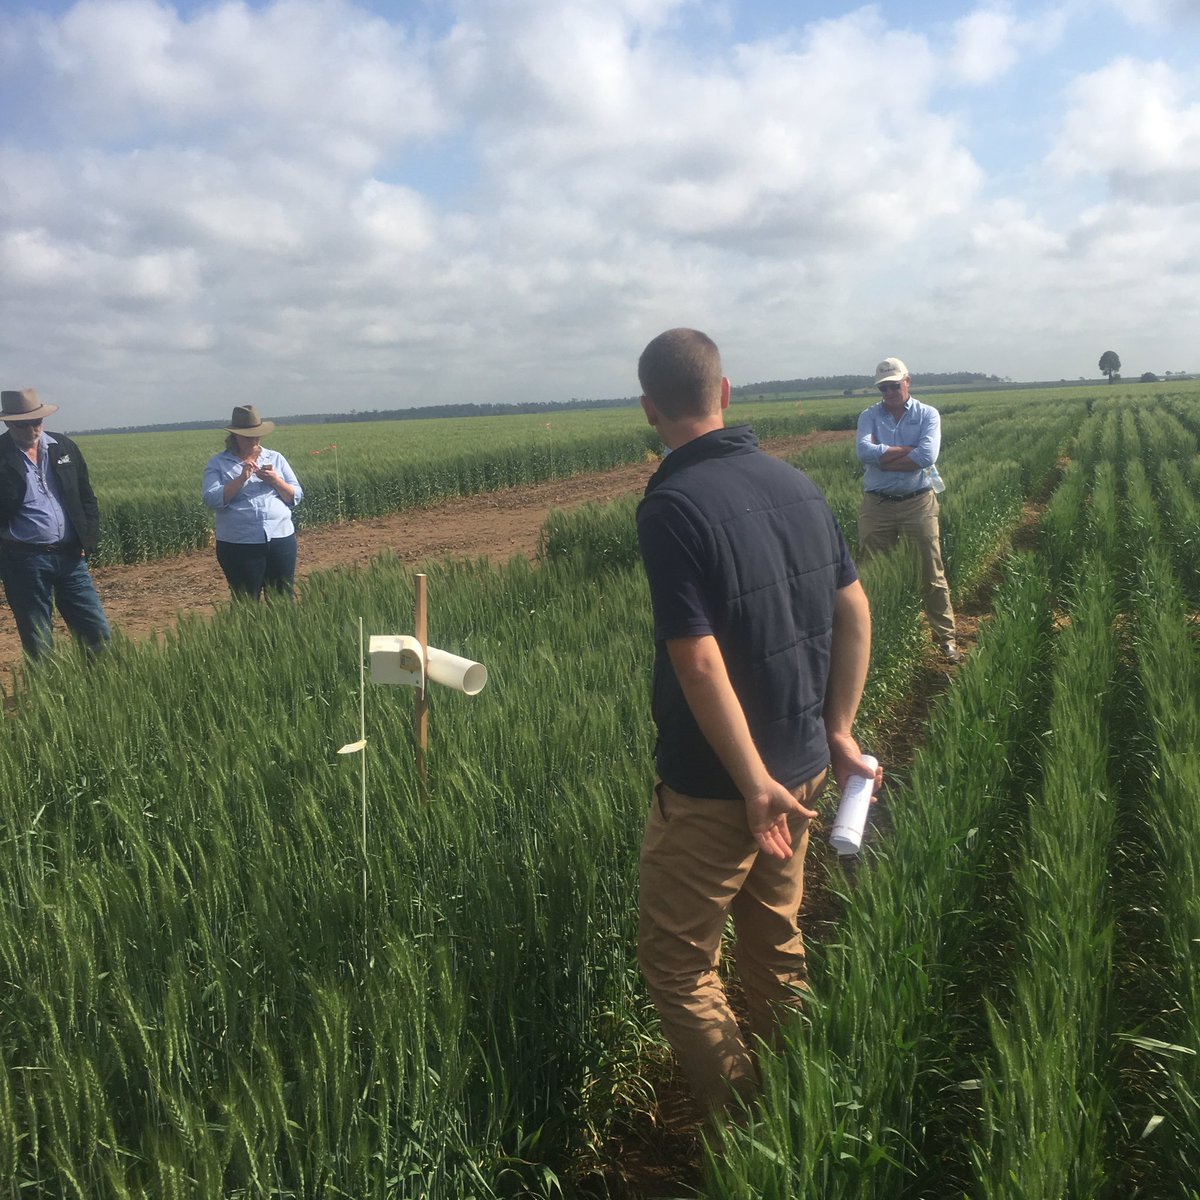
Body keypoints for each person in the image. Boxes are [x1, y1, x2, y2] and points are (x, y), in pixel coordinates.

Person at [634, 329, 877, 1116]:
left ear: (649, 410)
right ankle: (798, 1107)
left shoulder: (670, 505)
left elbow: (697, 662)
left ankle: (745, 1128)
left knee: (678, 969)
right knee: (776, 941)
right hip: (803, 768)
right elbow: (855, 610)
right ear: (726, 392)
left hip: (719, 790)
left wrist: (750, 784)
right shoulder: (797, 484)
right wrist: (838, 731)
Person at [855, 357, 959, 662]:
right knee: (872, 573)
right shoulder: (868, 416)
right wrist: (907, 453)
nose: (888, 392)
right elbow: (864, 452)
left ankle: (946, 638)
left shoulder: (928, 414)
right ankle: (871, 640)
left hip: (919, 502)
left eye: (894, 385)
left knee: (931, 570)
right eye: (883, 387)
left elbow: (927, 455)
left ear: (907, 381)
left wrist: (883, 455)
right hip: (877, 505)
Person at [0, 388, 112, 659]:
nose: (31, 428)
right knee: (37, 633)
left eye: (36, 421)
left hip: (71, 555)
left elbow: (86, 497)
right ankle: (47, 693)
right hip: (22, 559)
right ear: (8, 423)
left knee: (95, 628)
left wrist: (88, 540)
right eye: (22, 424)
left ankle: (103, 685)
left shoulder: (64, 447)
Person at [202, 405, 303, 600]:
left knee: (283, 599)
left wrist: (275, 481)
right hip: (239, 543)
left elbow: (295, 495)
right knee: (246, 602)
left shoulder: (276, 458)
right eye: (248, 436)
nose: (254, 440)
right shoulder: (218, 463)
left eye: (257, 435)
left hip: (280, 538)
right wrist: (240, 479)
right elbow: (211, 498)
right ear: (235, 436)